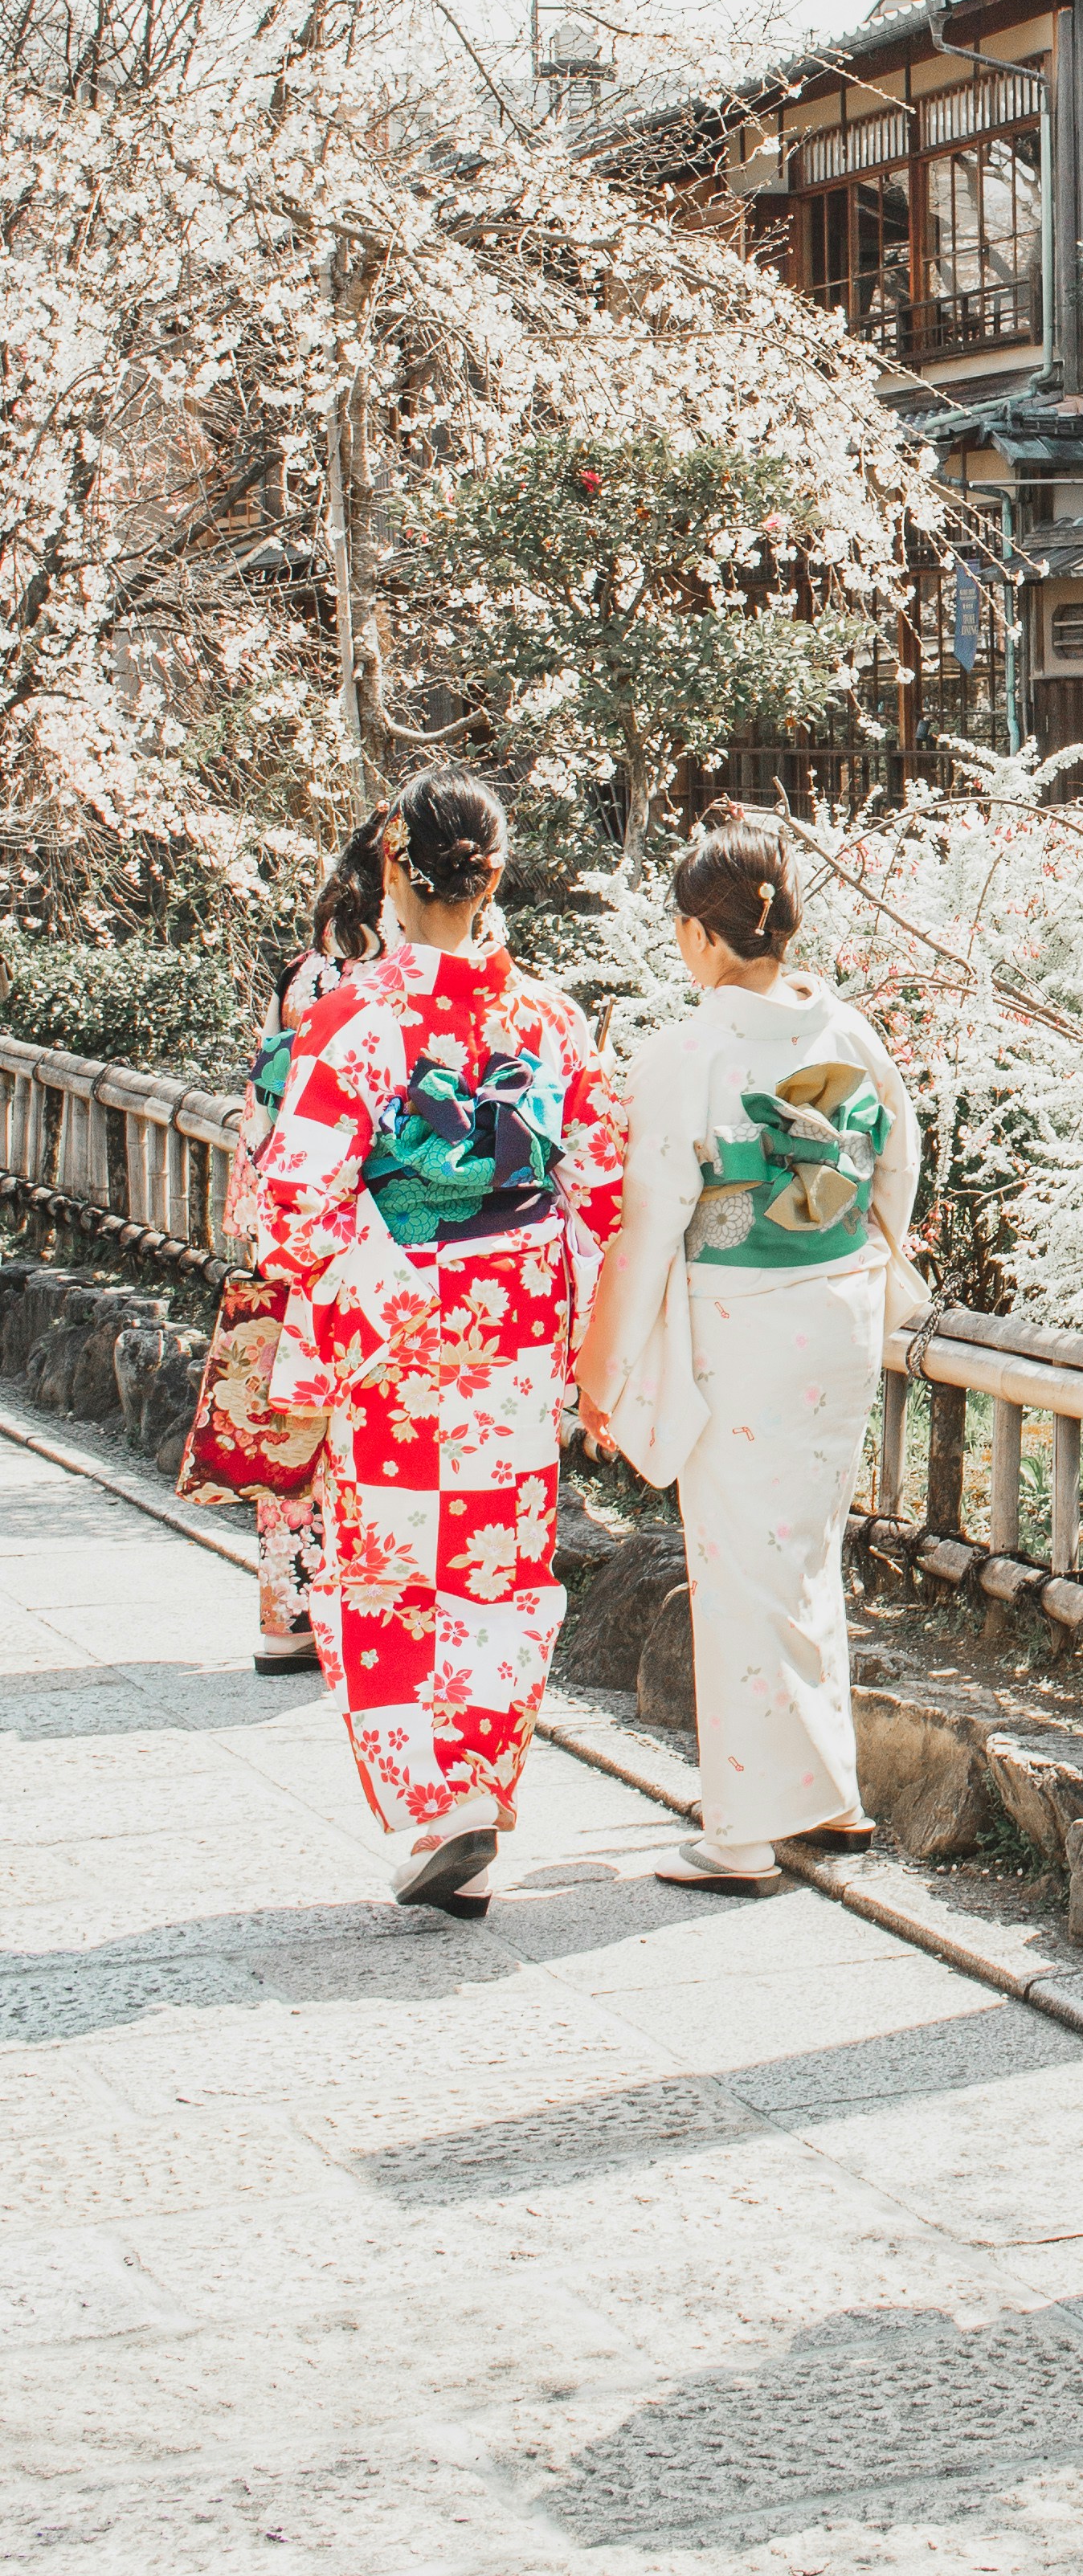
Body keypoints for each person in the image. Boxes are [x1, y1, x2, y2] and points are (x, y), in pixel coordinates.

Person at [250, 770, 623, 1916]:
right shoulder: (547, 1018)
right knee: (500, 1571)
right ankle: (482, 1781)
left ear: (390, 878)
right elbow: (601, 1193)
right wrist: (585, 1347)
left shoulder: (357, 1018)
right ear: (494, 876)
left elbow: (291, 1204)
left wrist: (384, 1299)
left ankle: (431, 1806)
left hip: (398, 1344)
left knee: (390, 1578)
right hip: (512, 1333)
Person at [574, 801, 920, 1893]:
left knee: (739, 1570)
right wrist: (859, 1254)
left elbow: (650, 1226)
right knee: (804, 1552)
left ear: (701, 936)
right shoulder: (846, 1031)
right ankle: (827, 1796)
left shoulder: (691, 1053)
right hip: (837, 1311)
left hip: (741, 1321)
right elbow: (896, 1166)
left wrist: (605, 1367)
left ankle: (740, 1834)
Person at [179, 811, 392, 1669]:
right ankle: (359, 1613)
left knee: (294, 1419)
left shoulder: (302, 974)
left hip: (290, 1218)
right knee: (368, 1422)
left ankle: (286, 1615)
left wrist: (262, 1219)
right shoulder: (395, 984)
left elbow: (264, 1111)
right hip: (381, 1229)